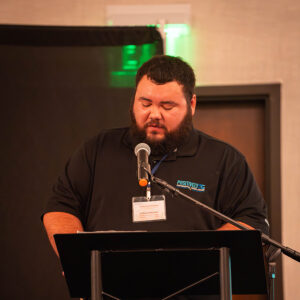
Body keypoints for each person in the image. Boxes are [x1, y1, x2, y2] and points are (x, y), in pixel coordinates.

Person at [43, 54, 269, 273]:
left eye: (167, 106)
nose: (154, 114)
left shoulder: (224, 159)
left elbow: (251, 220)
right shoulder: (97, 149)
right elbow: (61, 207)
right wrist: (77, 259)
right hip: (108, 288)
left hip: (195, 289)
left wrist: (198, 263)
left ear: (191, 104)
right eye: (145, 103)